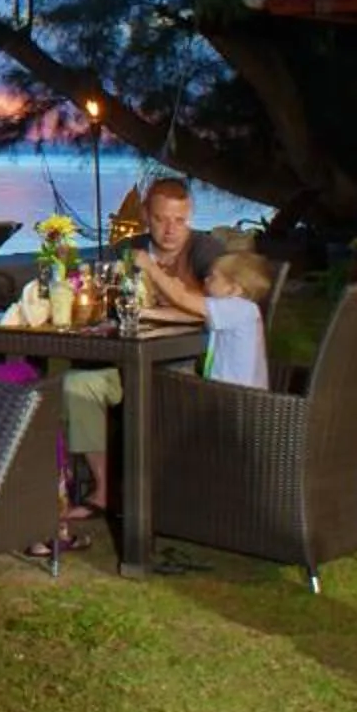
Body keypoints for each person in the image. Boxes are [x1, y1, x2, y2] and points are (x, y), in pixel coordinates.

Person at [61, 175, 229, 526]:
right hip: (129, 363)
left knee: (151, 394)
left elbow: (215, 308)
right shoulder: (129, 249)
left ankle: (160, 494)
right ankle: (103, 490)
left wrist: (153, 292)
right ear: (146, 216)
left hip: (185, 369)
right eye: (161, 219)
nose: (170, 230)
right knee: (78, 384)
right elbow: (108, 299)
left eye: (179, 220)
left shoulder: (204, 250)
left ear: (190, 216)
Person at [198, 250, 275, 391]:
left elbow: (184, 301)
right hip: (235, 391)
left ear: (233, 289)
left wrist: (156, 273)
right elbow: (188, 311)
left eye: (213, 277)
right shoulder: (240, 308)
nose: (206, 279)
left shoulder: (239, 307)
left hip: (234, 394)